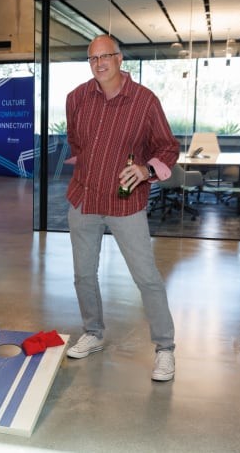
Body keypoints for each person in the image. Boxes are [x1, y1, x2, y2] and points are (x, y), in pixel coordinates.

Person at [64, 34, 180, 381]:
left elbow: (168, 147)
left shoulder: (144, 101)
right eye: (92, 58)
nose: (99, 63)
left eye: (106, 56)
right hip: (84, 198)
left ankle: (165, 349)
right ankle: (93, 333)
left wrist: (146, 170)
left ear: (119, 58)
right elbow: (76, 142)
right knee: (83, 275)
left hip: (125, 201)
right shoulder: (76, 98)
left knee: (147, 278)